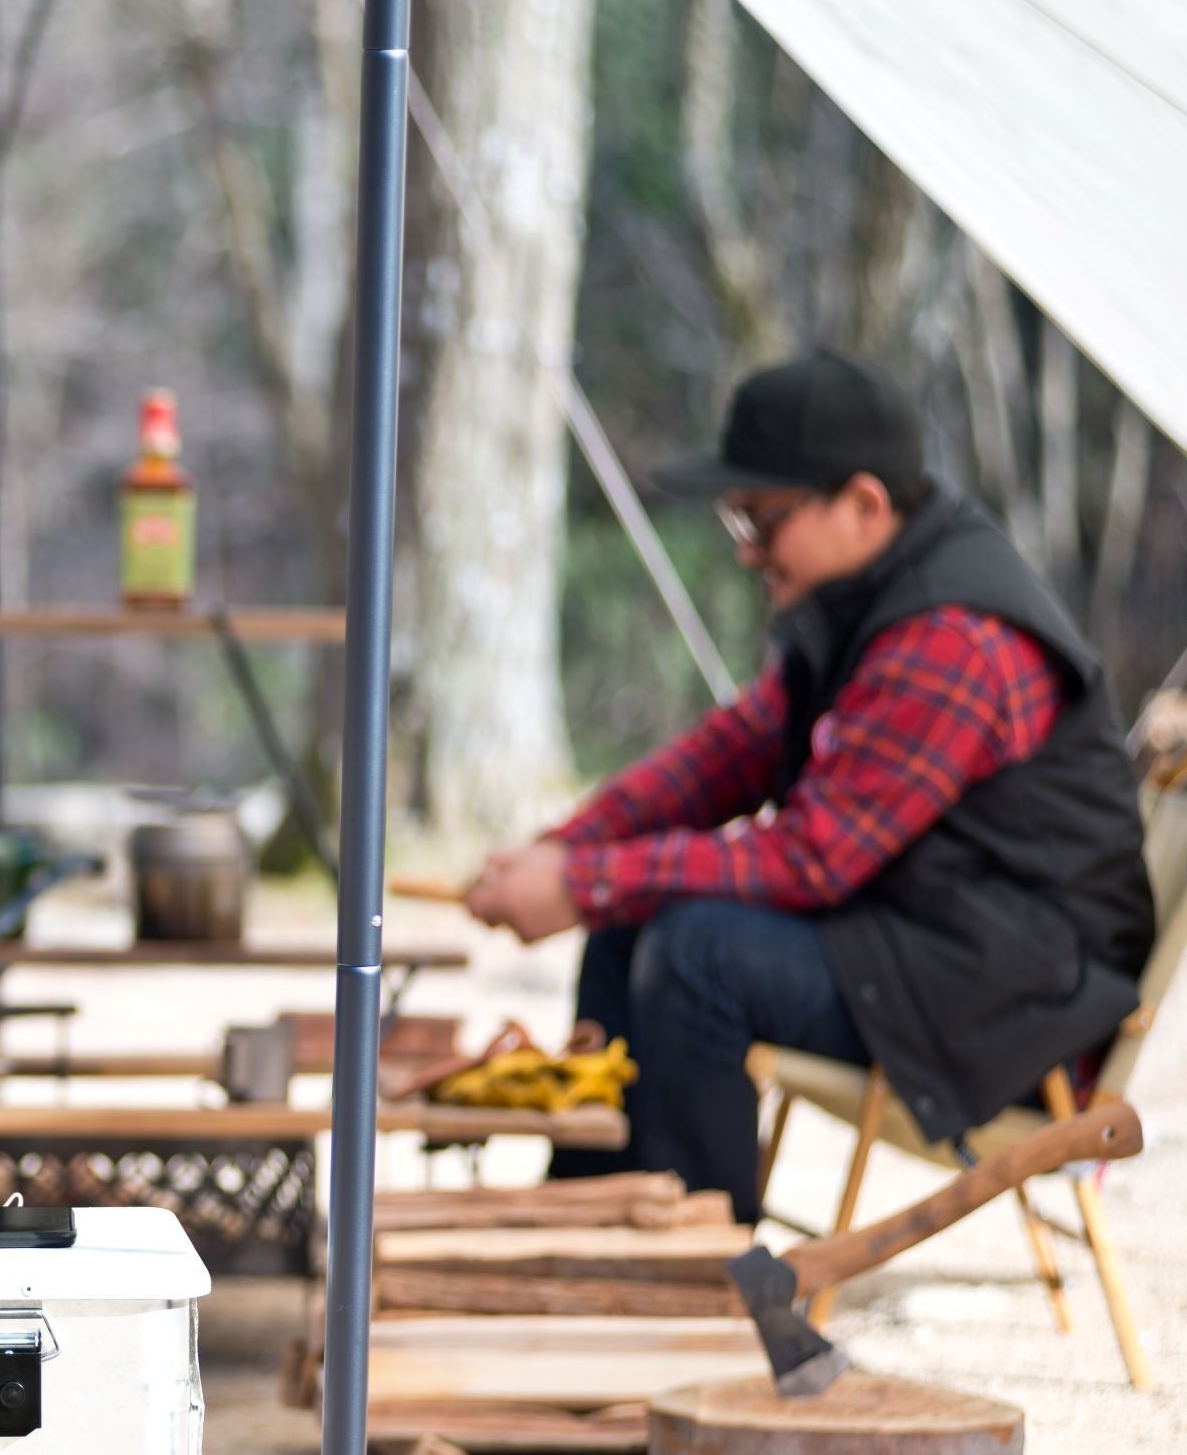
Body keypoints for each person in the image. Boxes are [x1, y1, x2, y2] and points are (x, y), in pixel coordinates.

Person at [465, 350, 1153, 1223]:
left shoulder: (952, 636)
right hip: (924, 943)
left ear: (864, 505)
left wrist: (580, 883)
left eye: (763, 519)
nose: (749, 550)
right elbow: (730, 752)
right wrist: (570, 848)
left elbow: (813, 858)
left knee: (698, 954)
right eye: (738, 520)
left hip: (1011, 996)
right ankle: (599, 1217)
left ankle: (704, 1267)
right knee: (632, 920)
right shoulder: (870, 596)